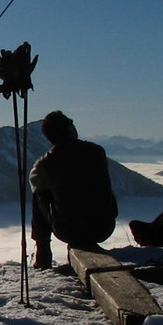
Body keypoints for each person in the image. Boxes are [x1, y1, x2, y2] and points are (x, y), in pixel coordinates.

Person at [29, 110, 117, 268]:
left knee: (39, 192)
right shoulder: (97, 151)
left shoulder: (47, 162)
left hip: (69, 230)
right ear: (70, 129)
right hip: (104, 227)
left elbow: (35, 183)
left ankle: (43, 251)